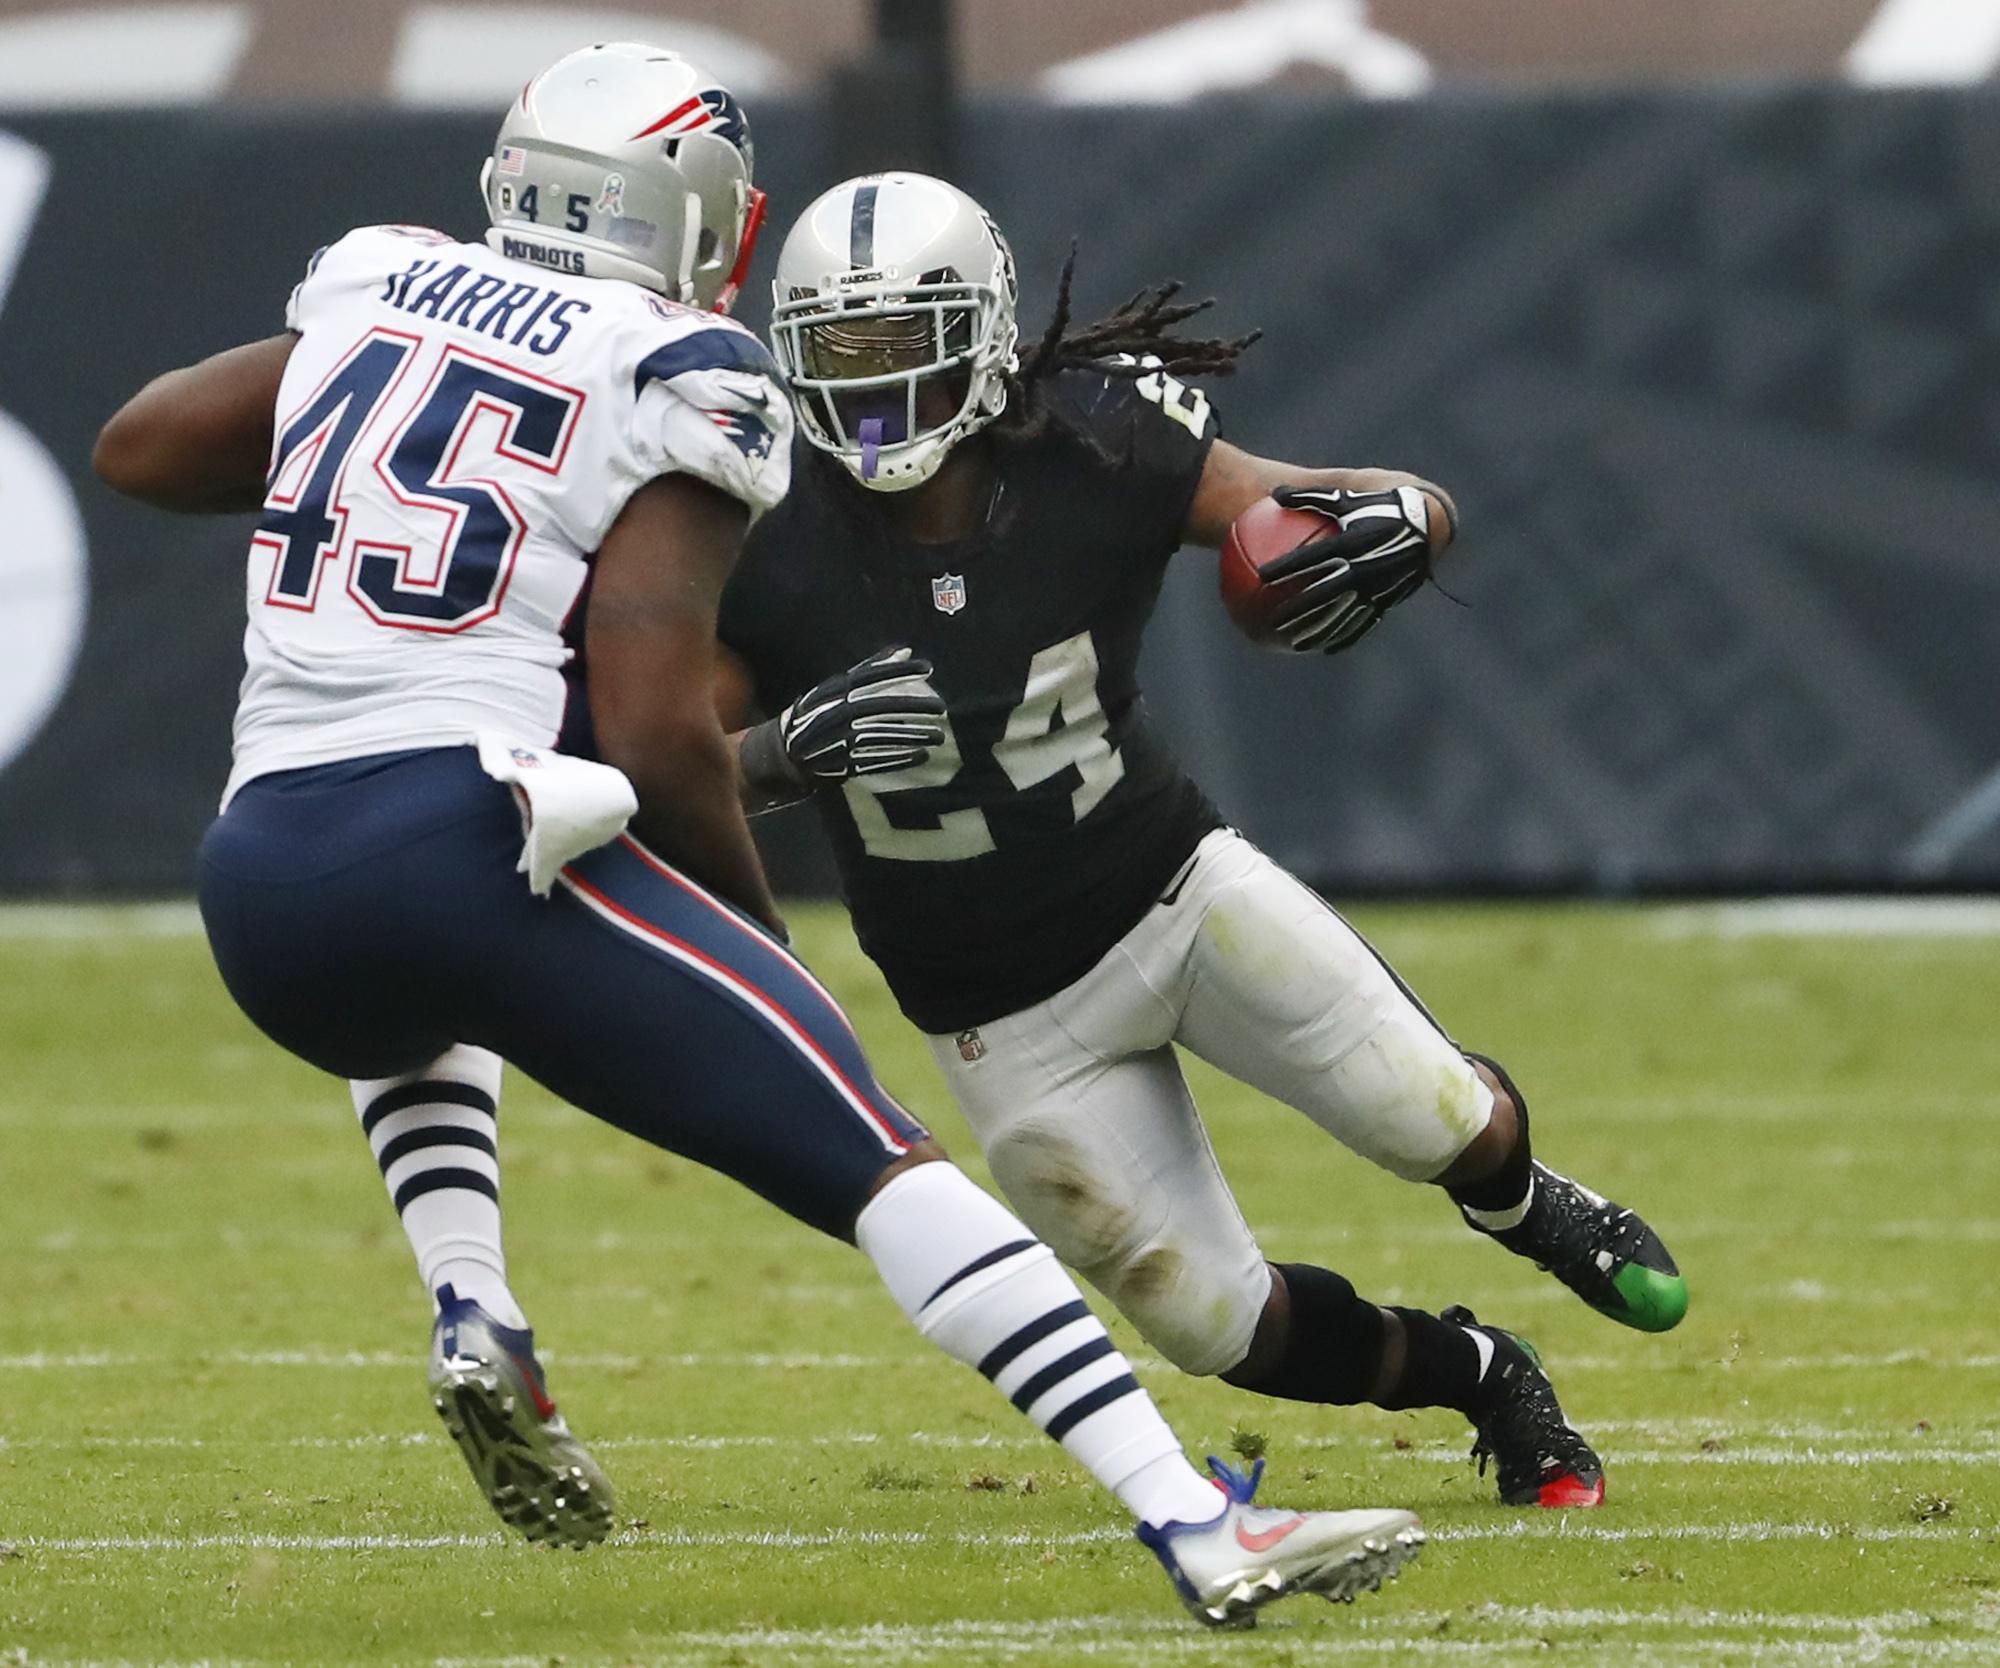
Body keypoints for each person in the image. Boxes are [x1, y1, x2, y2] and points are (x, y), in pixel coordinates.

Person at [91, 44, 1426, 1627]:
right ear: (687, 214)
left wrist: (358, 408)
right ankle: (1197, 1523)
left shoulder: (383, 281)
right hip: (452, 828)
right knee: (874, 1153)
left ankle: (471, 1297)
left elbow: (146, 446)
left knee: (414, 998)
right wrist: (757, 952)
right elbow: (656, 730)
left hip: (262, 879)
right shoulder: (685, 365)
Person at [713, 172, 1694, 1510]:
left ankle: (1526, 1203)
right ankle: (1483, 1371)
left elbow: (1324, 501)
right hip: (996, 1011)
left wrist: (1410, 520)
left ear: (986, 340)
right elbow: (666, 766)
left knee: (1435, 1117)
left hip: (1170, 889)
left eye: (906, 351)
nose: (878, 396)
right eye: (844, 359)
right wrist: (777, 751)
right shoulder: (760, 530)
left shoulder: (1099, 440)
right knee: (1210, 1324)